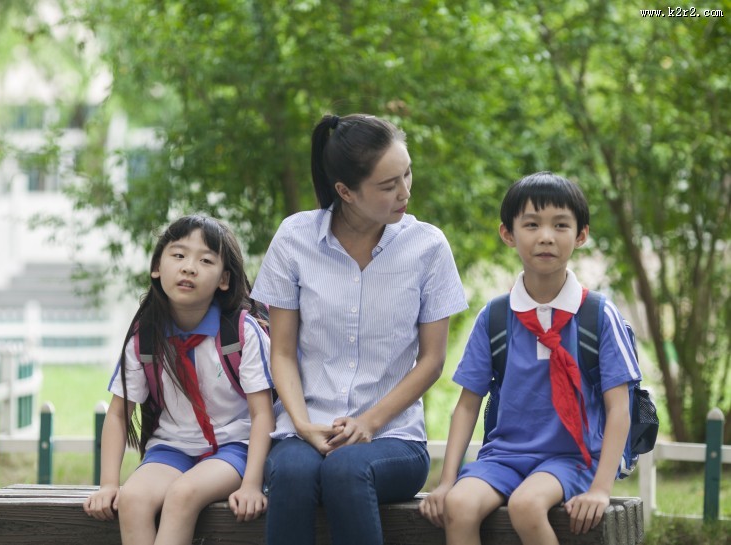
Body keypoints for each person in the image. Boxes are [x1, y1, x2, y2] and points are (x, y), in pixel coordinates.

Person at [250, 113, 468, 545]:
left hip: (393, 438)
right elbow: (283, 352)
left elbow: (432, 360)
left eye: (406, 174)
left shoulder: (428, 247)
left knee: (347, 470)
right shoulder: (294, 239)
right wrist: (301, 424)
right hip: (304, 427)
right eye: (388, 186)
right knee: (293, 472)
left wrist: (369, 422)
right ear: (345, 192)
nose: (405, 192)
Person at [419, 172, 641, 544]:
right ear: (508, 234)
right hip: (503, 457)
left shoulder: (598, 314)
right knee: (457, 505)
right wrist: (445, 482)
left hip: (573, 459)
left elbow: (620, 407)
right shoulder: (495, 317)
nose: (546, 236)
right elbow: (467, 405)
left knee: (526, 505)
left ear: (581, 234)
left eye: (560, 225)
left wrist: (601, 489)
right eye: (532, 224)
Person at [83, 215, 274, 545]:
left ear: (224, 279)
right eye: (179, 255)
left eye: (205, 260)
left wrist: (252, 484)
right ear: (157, 267)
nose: (189, 268)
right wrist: (108, 484)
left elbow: (262, 414)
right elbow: (117, 414)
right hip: (172, 447)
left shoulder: (240, 333)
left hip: (234, 448)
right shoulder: (146, 336)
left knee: (182, 495)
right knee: (132, 499)